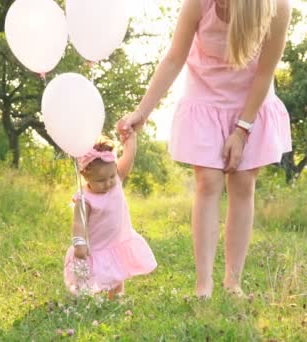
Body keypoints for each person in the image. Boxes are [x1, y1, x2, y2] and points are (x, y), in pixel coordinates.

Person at [118, 0, 292, 298]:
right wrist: (141, 113)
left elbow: (265, 73)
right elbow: (174, 58)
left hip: (250, 102)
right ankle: (204, 284)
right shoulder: (198, 4)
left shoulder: (277, 7)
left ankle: (233, 281)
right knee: (208, 181)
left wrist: (242, 130)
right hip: (206, 99)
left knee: (242, 183)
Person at [64, 134, 157, 298]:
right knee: (97, 278)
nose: (108, 183)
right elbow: (79, 223)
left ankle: (117, 298)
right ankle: (95, 301)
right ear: (86, 176)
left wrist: (131, 141)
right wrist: (79, 243)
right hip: (97, 246)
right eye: (100, 180)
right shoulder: (84, 198)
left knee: (118, 271)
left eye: (111, 177)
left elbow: (128, 157)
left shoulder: (117, 180)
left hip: (117, 240)